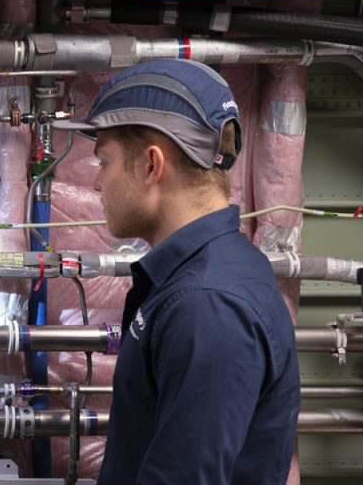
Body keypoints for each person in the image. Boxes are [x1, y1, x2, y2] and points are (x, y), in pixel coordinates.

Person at [54, 59, 299, 484]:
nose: (96, 183)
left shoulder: (207, 305)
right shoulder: (208, 274)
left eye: (104, 162)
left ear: (152, 165)